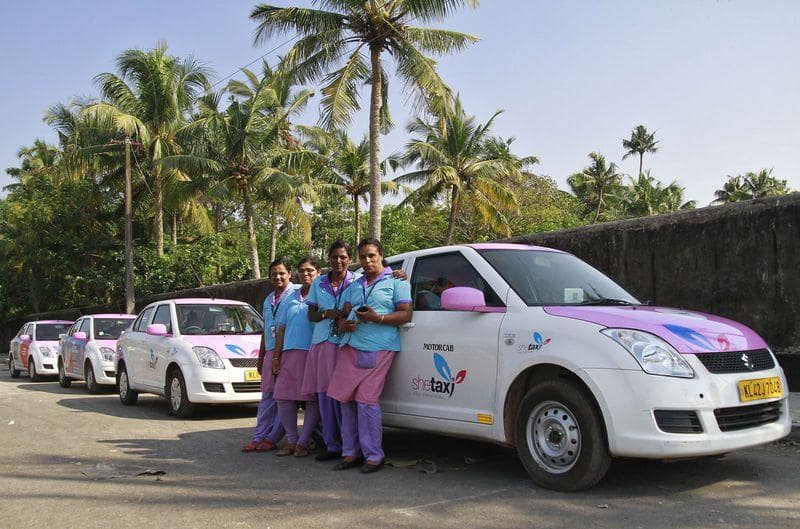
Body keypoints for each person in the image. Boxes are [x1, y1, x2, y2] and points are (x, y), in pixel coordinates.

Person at [327, 238, 413, 473]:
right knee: (345, 401)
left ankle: (374, 456)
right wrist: (344, 323)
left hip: (379, 347)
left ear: (381, 255)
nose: (367, 261)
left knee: (366, 401)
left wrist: (379, 319)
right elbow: (343, 313)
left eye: (372, 256)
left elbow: (406, 315)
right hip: (351, 346)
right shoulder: (355, 284)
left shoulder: (396, 280)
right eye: (363, 256)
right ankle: (350, 453)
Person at [304, 241, 356, 461]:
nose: (338, 261)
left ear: (350, 259)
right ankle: (331, 444)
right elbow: (311, 315)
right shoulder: (319, 283)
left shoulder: (356, 281)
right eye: (334, 257)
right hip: (324, 342)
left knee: (343, 395)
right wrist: (327, 314)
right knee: (325, 395)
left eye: (343, 257)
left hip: (347, 342)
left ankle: (349, 445)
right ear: (329, 259)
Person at [242, 258, 296, 452]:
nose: (278, 277)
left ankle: (272, 438)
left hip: (289, 352)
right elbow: (266, 329)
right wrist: (261, 355)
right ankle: (260, 436)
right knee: (268, 396)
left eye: (282, 273)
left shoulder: (297, 294)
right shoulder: (268, 299)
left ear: (290, 273)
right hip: (270, 353)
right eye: (274, 274)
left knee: (284, 397)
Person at [272, 257, 320, 457]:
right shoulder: (290, 296)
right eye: (302, 270)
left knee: (311, 400)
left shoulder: (324, 294)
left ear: (318, 272)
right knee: (283, 397)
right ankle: (291, 440)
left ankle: (303, 442)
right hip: (289, 353)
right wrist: (276, 356)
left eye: (310, 270)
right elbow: (281, 328)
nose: (305, 273)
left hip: (312, 353)